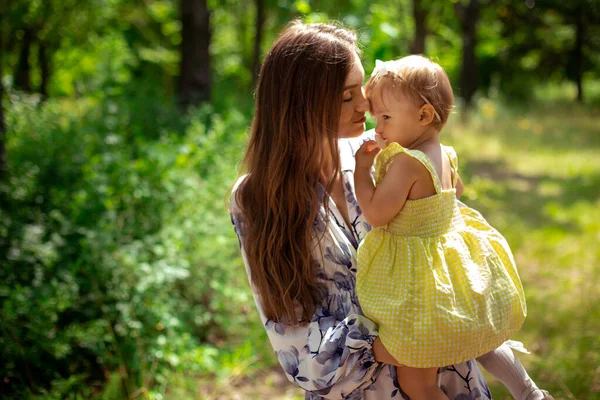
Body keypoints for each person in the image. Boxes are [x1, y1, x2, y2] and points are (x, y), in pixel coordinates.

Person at [230, 20, 550, 400]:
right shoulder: (258, 198)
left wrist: (452, 319)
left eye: (361, 89)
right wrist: (420, 333)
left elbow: (444, 254)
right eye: (348, 96)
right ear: (300, 103)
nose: (366, 106)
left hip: (454, 380)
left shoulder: (385, 151)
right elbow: (303, 356)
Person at [353, 55, 552, 400]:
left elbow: (376, 213)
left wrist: (361, 169)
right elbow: (454, 192)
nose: (378, 128)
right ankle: (530, 392)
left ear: (424, 115)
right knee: (483, 339)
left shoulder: (406, 163)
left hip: (424, 282)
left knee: (417, 380)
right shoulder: (444, 153)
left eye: (385, 117)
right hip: (456, 263)